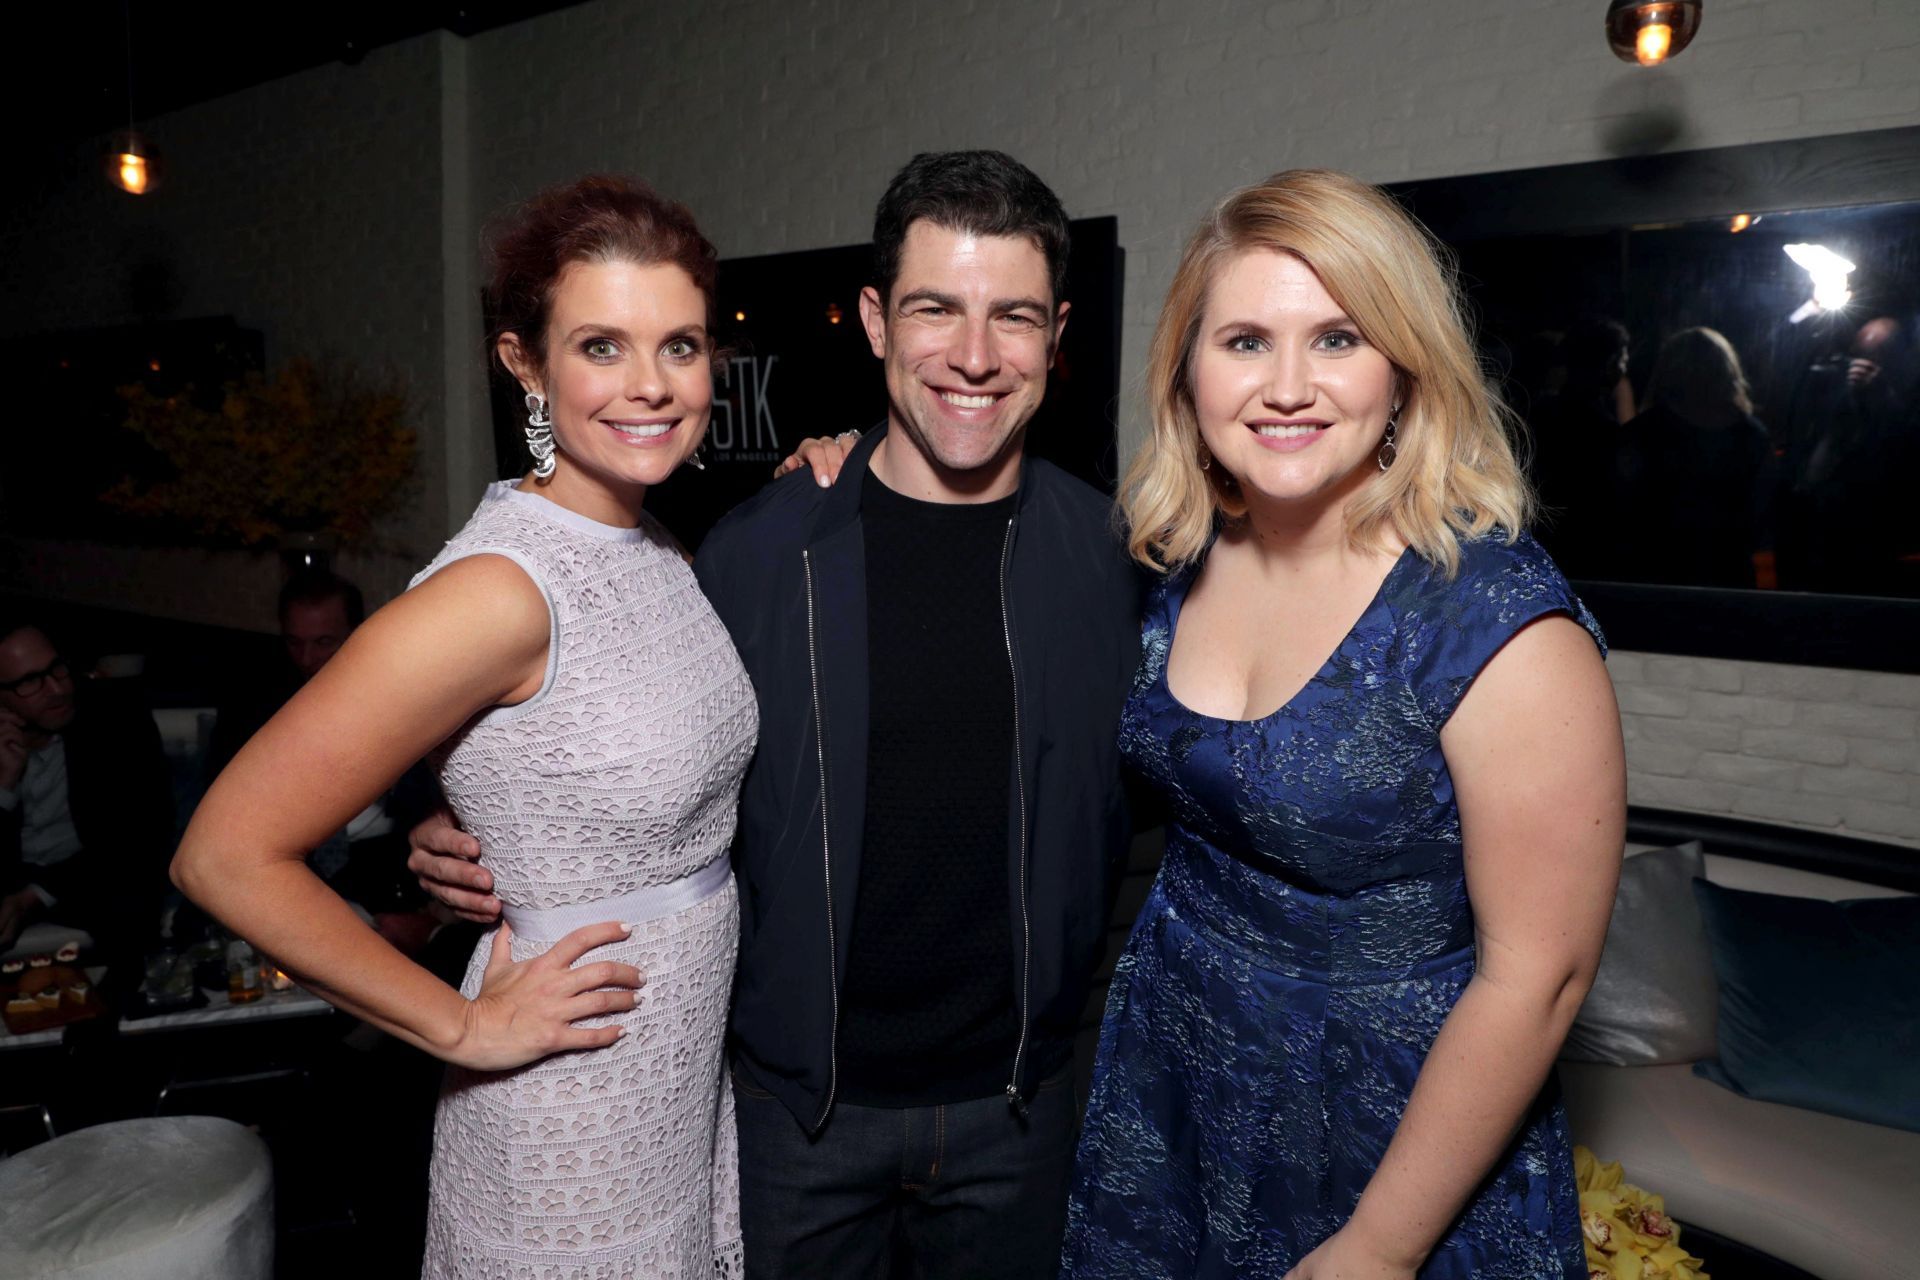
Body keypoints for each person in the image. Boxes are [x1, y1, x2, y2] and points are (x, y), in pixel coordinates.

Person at [410, 150, 1142, 1278]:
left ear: (1058, 335)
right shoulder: (758, 551)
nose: (975, 355)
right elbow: (620, 742)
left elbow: (1160, 812)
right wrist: (464, 830)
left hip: (1020, 1111)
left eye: (1015, 316)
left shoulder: (1114, 560)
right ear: (875, 322)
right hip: (796, 1118)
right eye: (935, 310)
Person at [172, 174, 758, 1276]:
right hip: (563, 1115)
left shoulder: (657, 543)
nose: (651, 384)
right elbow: (225, 854)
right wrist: (465, 1026)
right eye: (601, 346)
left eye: (679, 345)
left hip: (675, 1098)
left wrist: (467, 815)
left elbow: (561, 764)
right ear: (524, 364)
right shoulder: (496, 590)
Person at [1059, 170, 1624, 1278]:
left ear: (1404, 370)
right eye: (1245, 342)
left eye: (1337, 339)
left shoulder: (1492, 620)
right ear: (1187, 371)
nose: (1287, 387)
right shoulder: (1175, 562)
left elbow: (1541, 977)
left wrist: (1380, 1244)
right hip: (1173, 1082)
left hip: (1393, 1135)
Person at [0, 614, 176, 969]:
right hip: (11, 886)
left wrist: (35, 896)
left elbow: (140, 838)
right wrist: (3, 789)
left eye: (57, 668)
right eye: (30, 681)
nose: (57, 689)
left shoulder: (114, 716)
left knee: (130, 901)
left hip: (95, 881)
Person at [1616, 326, 1776, 589]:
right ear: (1726, 371)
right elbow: (1762, 517)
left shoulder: (1644, 432)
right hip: (1726, 571)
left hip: (1655, 570)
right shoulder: (1751, 436)